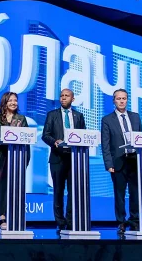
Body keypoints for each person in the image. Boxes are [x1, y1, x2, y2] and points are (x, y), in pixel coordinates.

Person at [41, 88, 86, 233]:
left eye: (67, 96)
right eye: (61, 96)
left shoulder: (79, 116)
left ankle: (71, 220)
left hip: (74, 158)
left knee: (73, 191)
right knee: (58, 191)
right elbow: (45, 135)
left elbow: (84, 136)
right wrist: (54, 142)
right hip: (57, 158)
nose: (63, 98)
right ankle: (60, 222)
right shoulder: (52, 115)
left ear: (73, 99)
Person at [100, 89, 142, 234]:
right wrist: (108, 164)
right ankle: (121, 222)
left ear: (127, 100)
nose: (121, 101)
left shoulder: (135, 117)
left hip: (134, 160)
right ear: (114, 101)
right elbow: (105, 144)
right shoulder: (107, 120)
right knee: (119, 194)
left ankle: (135, 220)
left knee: (135, 193)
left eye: (124, 98)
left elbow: (141, 139)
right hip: (117, 162)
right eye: (118, 98)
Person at [0, 91, 29, 230]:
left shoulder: (21, 119)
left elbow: (27, 137)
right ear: (5, 103)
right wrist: (10, 132)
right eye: (10, 100)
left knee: (16, 187)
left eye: (15, 100)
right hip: (1, 157)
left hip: (18, 157)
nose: (13, 103)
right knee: (2, 187)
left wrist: (25, 159)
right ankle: (2, 216)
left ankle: (15, 215)